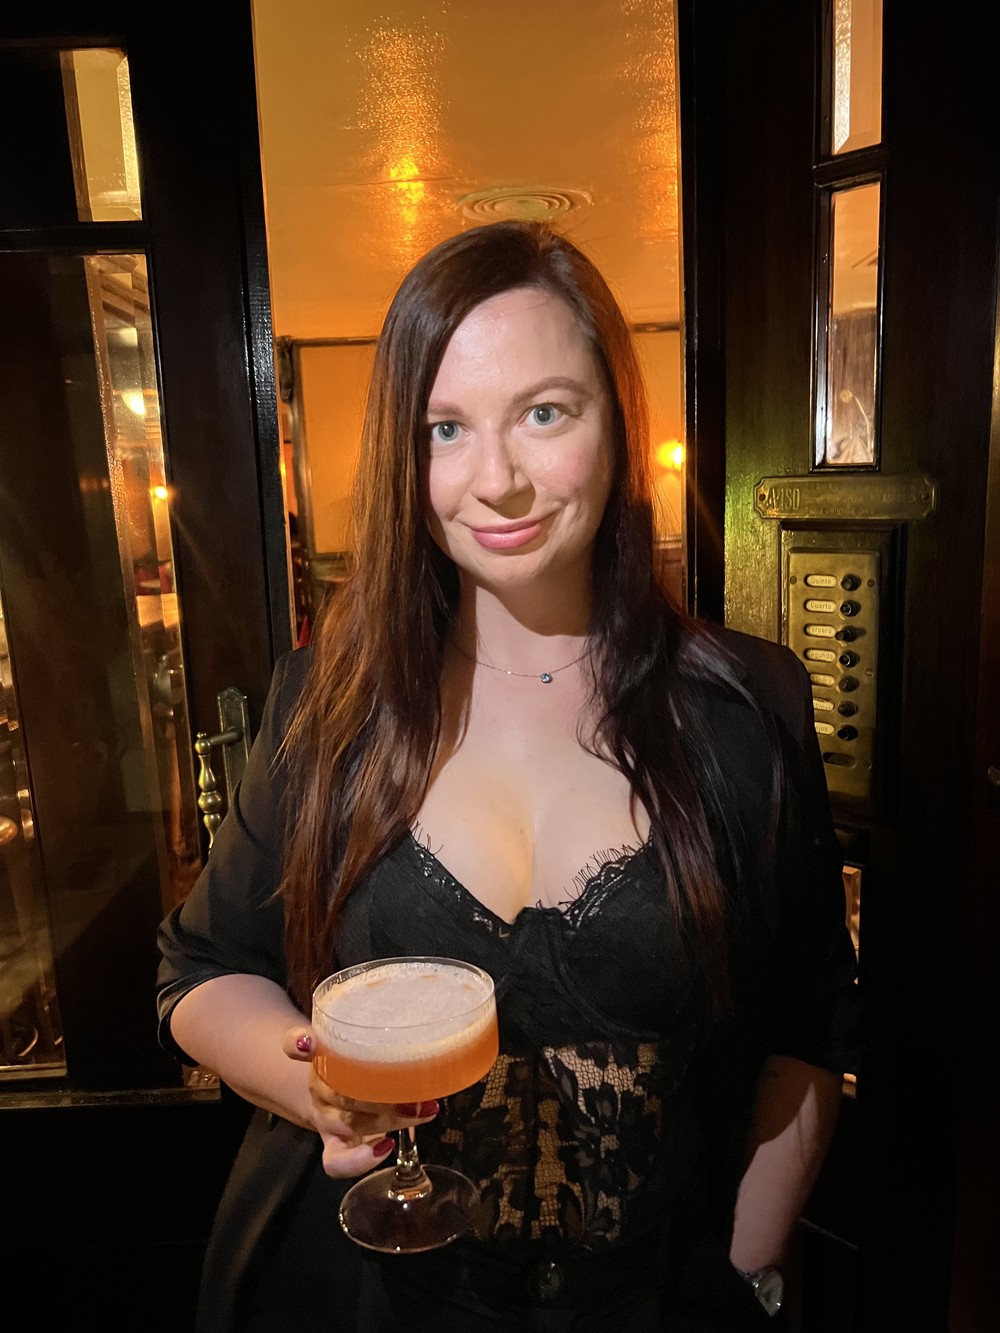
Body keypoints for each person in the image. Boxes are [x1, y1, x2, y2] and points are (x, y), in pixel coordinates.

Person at [157, 221, 860, 1332]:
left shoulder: (746, 709)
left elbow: (806, 1029)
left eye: (545, 412)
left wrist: (750, 1271)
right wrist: (314, 1088)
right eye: (445, 429)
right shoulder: (326, 705)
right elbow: (201, 969)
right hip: (374, 1301)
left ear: (617, 424)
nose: (498, 481)